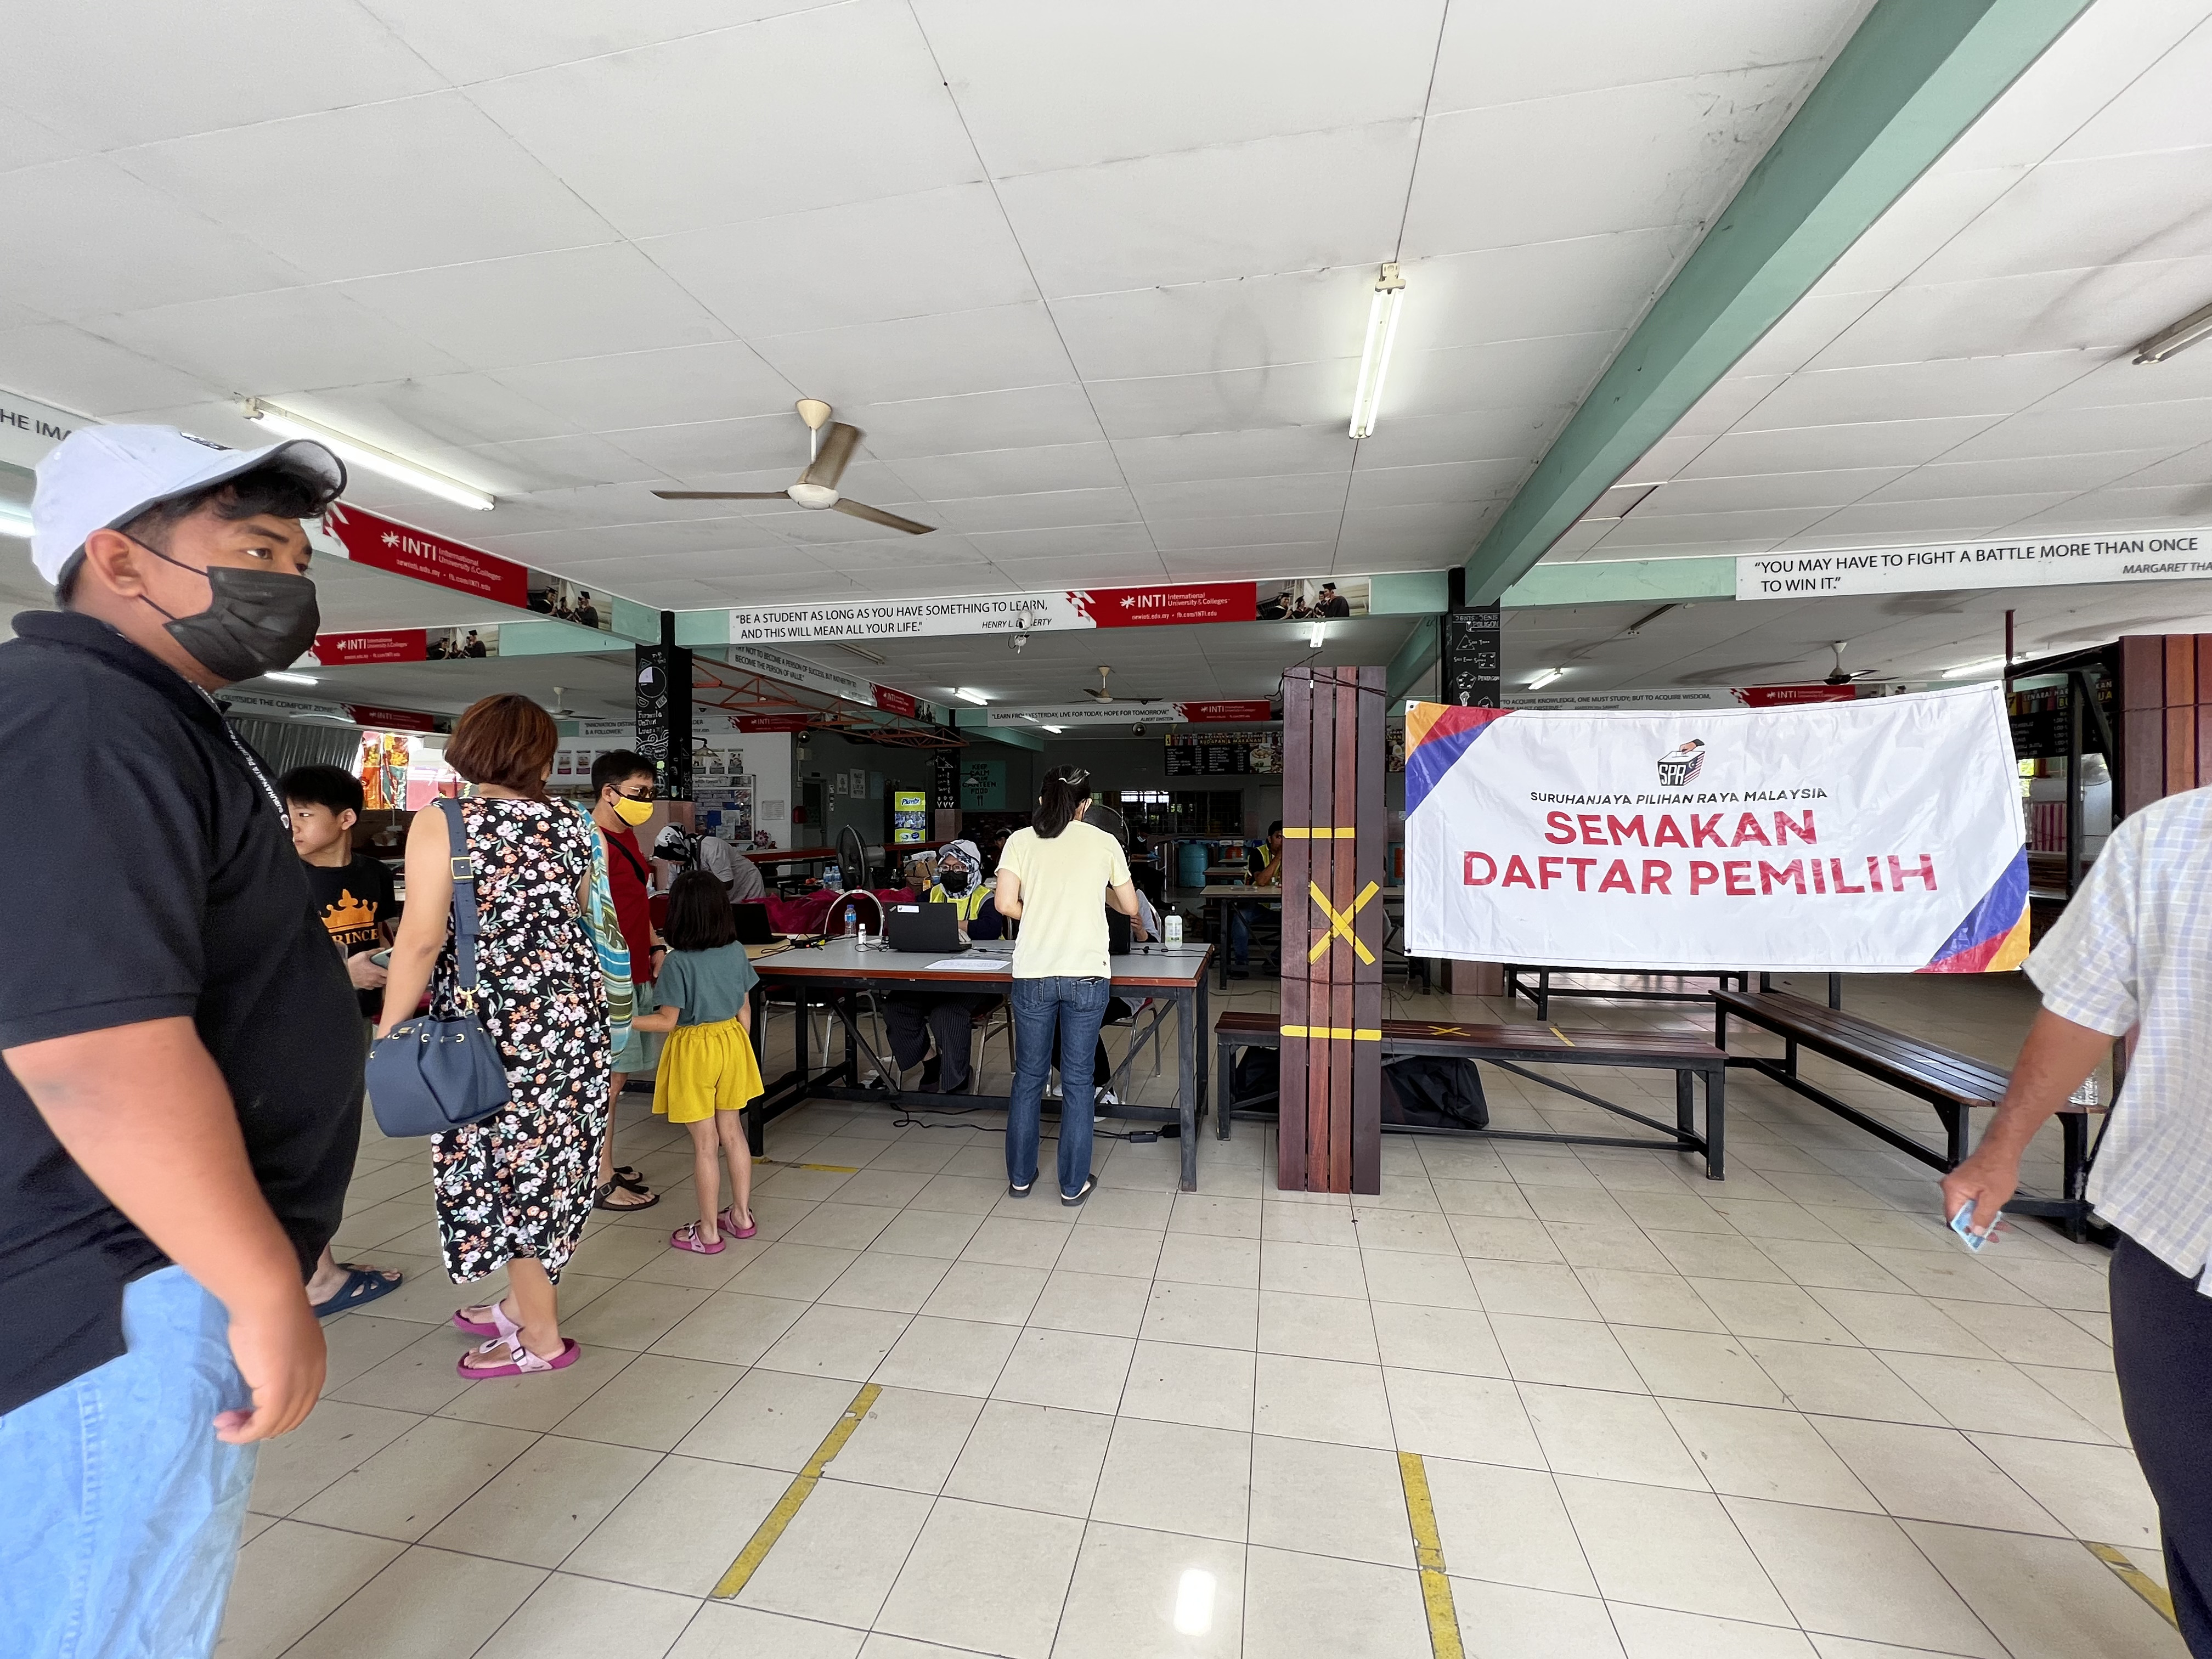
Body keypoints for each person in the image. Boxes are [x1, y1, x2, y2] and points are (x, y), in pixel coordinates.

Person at [1, 425, 359, 1657]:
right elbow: (96, 1051)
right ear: (122, 559)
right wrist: (267, 1287)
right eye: (255, 547)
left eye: (299, 559)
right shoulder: (83, 716)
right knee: (105, 1625)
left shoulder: (157, 722)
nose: (289, 585)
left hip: (135, 1269)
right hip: (112, 1286)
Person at [1943, 788, 2212, 1657]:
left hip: (2175, 1233)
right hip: (2182, 1237)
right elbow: (2086, 1008)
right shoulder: (2175, 839)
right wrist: (1999, 1151)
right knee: (2199, 1507)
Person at [379, 694, 611, 1378]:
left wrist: (391, 1031)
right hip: (573, 1018)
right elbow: (572, 915)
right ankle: (518, 1300)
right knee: (554, 1166)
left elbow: (422, 939)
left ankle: (540, 1338)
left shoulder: (444, 821)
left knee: (507, 1174)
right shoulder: (573, 821)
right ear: (541, 753)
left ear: (469, 745)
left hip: (495, 1027)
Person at [280, 763, 406, 1319]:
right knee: (310, 1146)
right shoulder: (278, 878)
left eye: (306, 814)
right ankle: (317, 1278)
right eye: (290, 814)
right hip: (296, 1026)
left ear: (346, 818)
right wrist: (343, 972)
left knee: (332, 1144)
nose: (294, 826)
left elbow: (386, 932)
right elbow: (268, 961)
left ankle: (317, 1267)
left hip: (354, 1022)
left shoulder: (372, 874)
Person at [993, 768, 1141, 1205]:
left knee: (1028, 1079)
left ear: (1042, 801)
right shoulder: (1103, 842)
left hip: (1034, 973)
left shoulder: (1020, 840)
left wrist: (1042, 911)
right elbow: (1129, 905)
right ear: (1085, 805)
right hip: (1086, 974)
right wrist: (1096, 895)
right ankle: (1072, 1185)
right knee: (1078, 1082)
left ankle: (1020, 1178)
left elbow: (1003, 903)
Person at [627, 872, 764, 1254]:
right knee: (734, 1133)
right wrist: (740, 1048)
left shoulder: (677, 963)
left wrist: (621, 1020)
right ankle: (740, 1216)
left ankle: (707, 1232)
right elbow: (745, 1008)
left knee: (706, 1144)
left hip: (693, 1049)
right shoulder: (736, 950)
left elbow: (667, 1021)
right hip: (733, 1042)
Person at [589, 751, 664, 1212]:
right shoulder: (589, 842)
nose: (647, 802)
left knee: (618, 1077)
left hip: (637, 969)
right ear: (608, 792)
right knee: (608, 1083)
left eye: (651, 794)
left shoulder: (628, 836)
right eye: (639, 793)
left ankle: (605, 1163)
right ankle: (598, 1178)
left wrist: (655, 945)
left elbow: (639, 901)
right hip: (608, 976)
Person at [884, 839, 997, 1096]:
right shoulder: (933, 894)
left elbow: (990, 928)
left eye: (959, 868)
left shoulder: (986, 897)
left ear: (973, 869)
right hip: (932, 974)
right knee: (896, 1007)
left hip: (977, 978)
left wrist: (948, 923)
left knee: (946, 1013)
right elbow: (910, 917)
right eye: (946, 868)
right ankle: (932, 1063)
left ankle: (957, 1078)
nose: (951, 873)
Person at [1229, 821, 1285, 976]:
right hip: (1260, 906)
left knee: (1304, 922)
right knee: (1240, 918)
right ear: (1269, 839)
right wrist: (1280, 857)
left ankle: (1274, 960)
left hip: (1285, 908)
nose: (1283, 841)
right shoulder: (1257, 853)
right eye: (1279, 837)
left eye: (1287, 838)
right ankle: (1241, 965)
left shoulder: (1297, 855)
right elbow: (1261, 881)